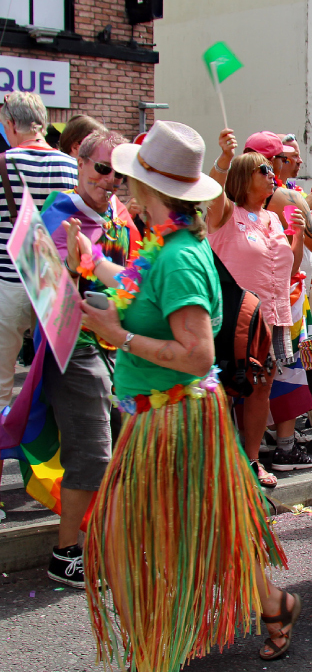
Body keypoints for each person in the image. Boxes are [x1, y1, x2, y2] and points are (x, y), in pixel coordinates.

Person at [67, 121, 298, 669]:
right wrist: (88, 259)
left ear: (153, 190)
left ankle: (151, 654)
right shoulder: (163, 242)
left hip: (175, 418)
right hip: (161, 418)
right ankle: (272, 604)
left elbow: (197, 354)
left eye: (132, 182)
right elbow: (130, 286)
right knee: (209, 527)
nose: (125, 190)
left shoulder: (179, 256)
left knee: (119, 540)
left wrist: (117, 337)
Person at [34, 130, 138, 587]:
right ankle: (66, 553)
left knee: (118, 447)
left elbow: (132, 277)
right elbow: (49, 291)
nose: (110, 179)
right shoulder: (59, 215)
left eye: (118, 172)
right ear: (79, 163)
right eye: (102, 168)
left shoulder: (118, 215)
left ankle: (102, 538)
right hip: (72, 347)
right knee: (92, 453)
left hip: (113, 345)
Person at [207, 131, 312, 486]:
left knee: (259, 390)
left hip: (271, 318)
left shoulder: (271, 219)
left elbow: (290, 266)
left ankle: (251, 462)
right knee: (222, 391)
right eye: (264, 171)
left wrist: (297, 237)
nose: (273, 177)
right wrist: (224, 157)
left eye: (272, 171)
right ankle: (221, 464)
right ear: (242, 178)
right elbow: (210, 191)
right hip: (232, 321)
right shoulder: (226, 214)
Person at [0, 92, 78, 408]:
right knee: (54, 383)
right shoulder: (73, 167)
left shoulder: (3, 164)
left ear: (10, 125)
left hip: (10, 280)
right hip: (54, 284)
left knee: (2, 383)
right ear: (43, 125)